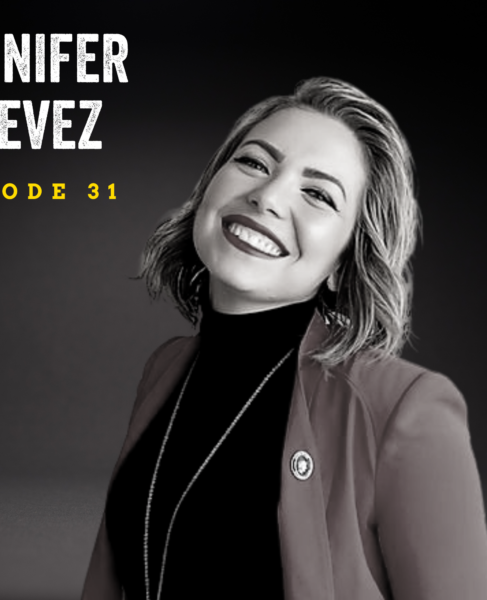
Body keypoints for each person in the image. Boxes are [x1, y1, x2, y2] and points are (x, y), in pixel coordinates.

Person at [82, 77, 487, 600]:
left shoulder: (405, 407)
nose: (267, 196)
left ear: (346, 261)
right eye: (254, 163)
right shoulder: (166, 368)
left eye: (317, 194)